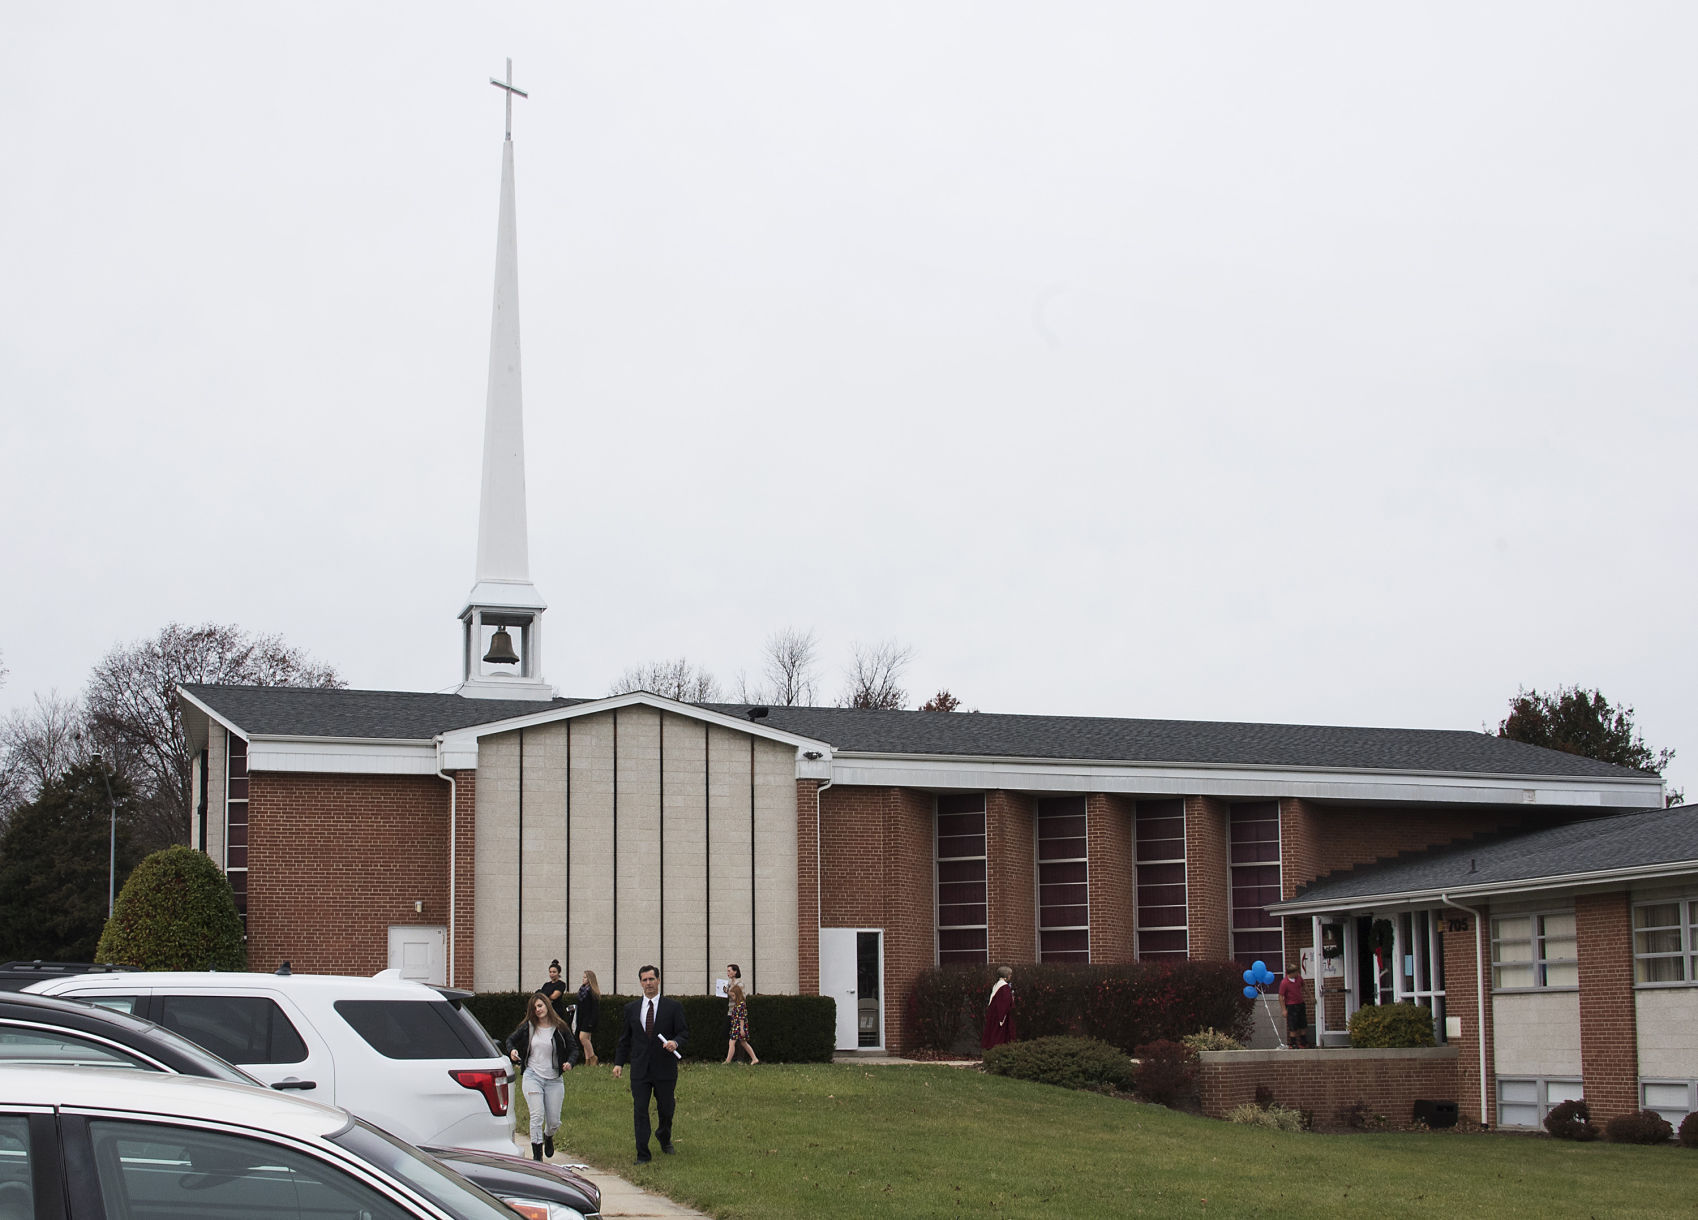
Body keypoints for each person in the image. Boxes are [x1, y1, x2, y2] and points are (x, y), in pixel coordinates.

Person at [613, 964, 688, 1164]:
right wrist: (619, 1063)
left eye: (651, 979)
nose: (648, 983)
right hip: (640, 1069)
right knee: (640, 1110)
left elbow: (683, 1033)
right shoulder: (631, 1009)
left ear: (658, 980)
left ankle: (664, 1136)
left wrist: (676, 1042)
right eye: (645, 980)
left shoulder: (673, 1007)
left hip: (664, 1068)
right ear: (640, 983)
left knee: (666, 1108)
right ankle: (643, 1154)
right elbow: (625, 1039)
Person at [505, 991, 574, 1160]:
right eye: (534, 1008)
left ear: (547, 1006)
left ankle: (548, 1136)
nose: (538, 1010)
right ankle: (537, 1158)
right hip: (532, 1076)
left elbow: (574, 1048)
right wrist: (512, 1051)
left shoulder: (560, 1027)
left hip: (554, 1080)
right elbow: (510, 1041)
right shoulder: (528, 1026)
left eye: (540, 1006)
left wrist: (569, 1063)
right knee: (536, 1115)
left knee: (554, 1122)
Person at [723, 964, 760, 1065]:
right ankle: (754, 1058)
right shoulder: (730, 984)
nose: (728, 973)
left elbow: (742, 1016)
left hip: (738, 1023)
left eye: (729, 971)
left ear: (735, 971)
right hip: (735, 1019)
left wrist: (742, 1028)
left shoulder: (740, 1004)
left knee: (734, 1042)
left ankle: (728, 1061)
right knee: (741, 1042)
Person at [981, 964, 1016, 1049]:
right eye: (1010, 974)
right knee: (999, 1035)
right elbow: (1004, 1002)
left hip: (993, 1014)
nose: (1010, 976)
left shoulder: (997, 985)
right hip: (1000, 1016)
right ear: (1006, 975)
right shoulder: (1004, 987)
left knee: (992, 1033)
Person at [1279, 963, 1309, 1048]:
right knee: (1293, 1025)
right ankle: (1293, 1043)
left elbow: (1304, 986)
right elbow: (1281, 996)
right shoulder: (1284, 983)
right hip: (1291, 1006)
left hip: (1300, 1003)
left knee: (1303, 1023)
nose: (1297, 974)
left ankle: (1303, 1042)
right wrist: (1284, 1010)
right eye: (1296, 972)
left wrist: (1310, 996)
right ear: (1291, 973)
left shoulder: (1299, 978)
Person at [575, 968, 601, 1067]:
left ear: (590, 979)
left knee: (583, 1038)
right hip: (581, 1018)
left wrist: (591, 1021)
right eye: (583, 977)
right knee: (586, 1039)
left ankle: (593, 1056)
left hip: (589, 1019)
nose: (583, 979)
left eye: (585, 977)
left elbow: (595, 1009)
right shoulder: (582, 990)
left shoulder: (592, 992)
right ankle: (587, 1060)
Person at [539, 959, 571, 1024]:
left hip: (557, 1011)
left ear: (558, 973)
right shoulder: (546, 984)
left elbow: (554, 996)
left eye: (554, 972)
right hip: (546, 1011)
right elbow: (540, 996)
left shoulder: (561, 984)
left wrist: (545, 994)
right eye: (550, 972)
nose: (552, 974)